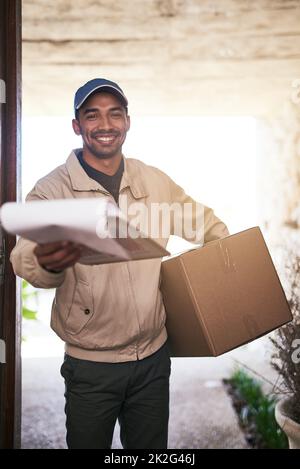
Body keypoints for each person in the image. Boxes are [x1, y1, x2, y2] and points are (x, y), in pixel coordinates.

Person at [10, 78, 229, 449]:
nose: (105, 124)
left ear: (128, 121)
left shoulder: (154, 181)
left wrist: (220, 268)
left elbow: (208, 225)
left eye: (115, 114)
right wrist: (46, 263)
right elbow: (24, 256)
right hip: (91, 364)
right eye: (92, 115)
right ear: (77, 126)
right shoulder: (52, 191)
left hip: (153, 360)